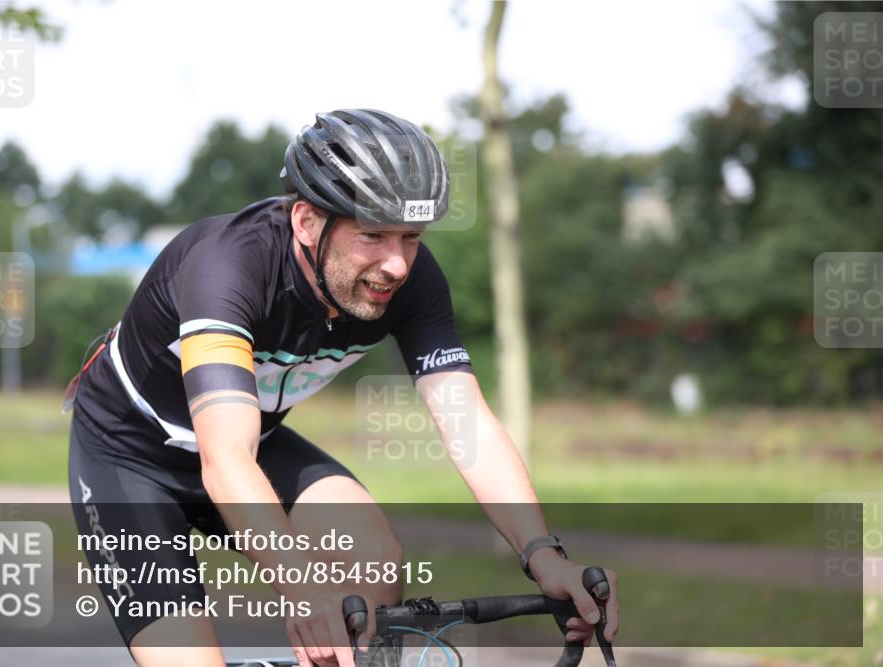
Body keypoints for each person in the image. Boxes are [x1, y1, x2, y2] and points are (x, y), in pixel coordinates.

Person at [67, 108, 618, 667]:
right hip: (129, 457)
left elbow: (465, 420)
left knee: (374, 561)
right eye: (373, 234)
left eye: (411, 237)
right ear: (306, 221)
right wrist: (303, 589)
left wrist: (542, 553)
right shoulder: (228, 267)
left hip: (255, 443)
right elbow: (225, 457)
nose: (397, 264)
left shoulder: (412, 281)